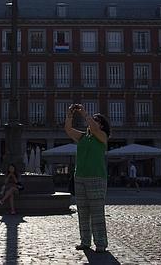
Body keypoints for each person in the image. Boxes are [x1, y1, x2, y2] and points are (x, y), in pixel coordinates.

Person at [64, 104, 111, 253]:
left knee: (97, 213)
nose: (91, 122)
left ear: (101, 125)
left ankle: (101, 243)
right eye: (92, 119)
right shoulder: (83, 136)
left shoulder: (103, 137)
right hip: (80, 178)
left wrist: (84, 113)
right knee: (83, 212)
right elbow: (68, 130)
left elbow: (95, 129)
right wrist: (70, 115)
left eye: (95, 120)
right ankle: (85, 241)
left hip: (96, 178)